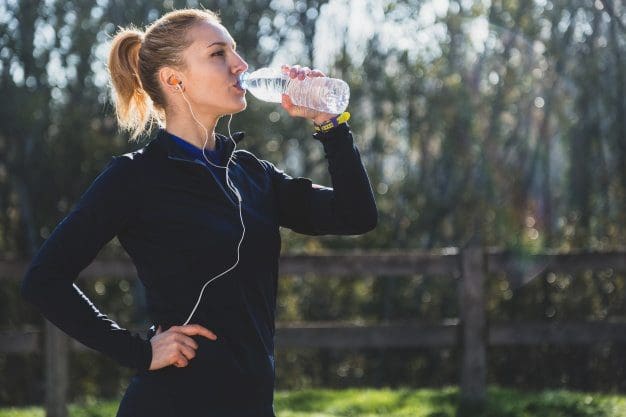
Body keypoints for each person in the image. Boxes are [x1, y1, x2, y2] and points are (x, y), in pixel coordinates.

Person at [20, 8, 377, 417]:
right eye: (218, 54)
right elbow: (43, 280)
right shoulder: (136, 176)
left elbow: (356, 215)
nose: (240, 65)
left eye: (235, 52)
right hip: (172, 404)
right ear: (175, 80)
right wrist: (137, 351)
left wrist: (330, 124)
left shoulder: (251, 174)